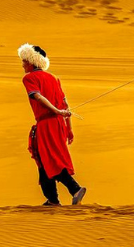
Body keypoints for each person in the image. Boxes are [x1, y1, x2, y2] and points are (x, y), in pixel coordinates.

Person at [19, 44, 87, 205]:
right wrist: (68, 128)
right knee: (44, 159)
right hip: (58, 123)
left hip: (48, 123)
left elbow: (37, 96)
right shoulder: (53, 78)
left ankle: (74, 188)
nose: (22, 65)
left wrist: (56, 111)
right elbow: (66, 104)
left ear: (31, 61)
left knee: (51, 160)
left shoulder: (29, 78)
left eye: (24, 61)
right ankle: (52, 199)